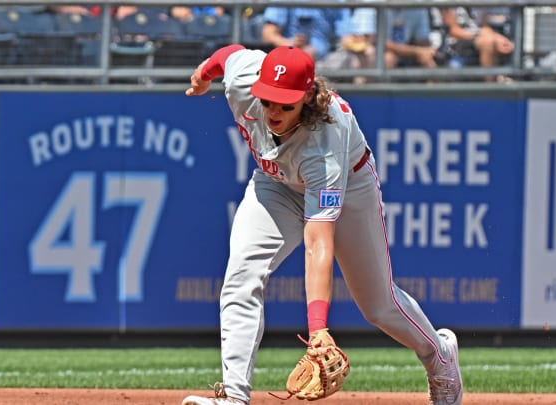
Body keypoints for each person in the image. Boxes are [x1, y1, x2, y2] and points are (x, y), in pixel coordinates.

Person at [181, 43, 464, 405]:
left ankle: (439, 356)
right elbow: (229, 54)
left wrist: (317, 329)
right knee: (241, 277)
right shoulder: (242, 81)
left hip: (349, 182)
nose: (273, 111)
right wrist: (205, 72)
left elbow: (317, 243)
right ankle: (234, 397)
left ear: (309, 96)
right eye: (267, 100)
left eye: (286, 104)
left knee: (377, 305)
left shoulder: (324, 144)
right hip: (276, 182)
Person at [434, 7, 514, 76]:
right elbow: (454, 31)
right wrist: (480, 34)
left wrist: (497, 38)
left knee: (508, 44)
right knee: (487, 43)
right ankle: (490, 87)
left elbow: (485, 27)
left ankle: (505, 80)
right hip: (456, 43)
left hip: (480, 37)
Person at [261, 6, 351, 61]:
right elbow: (268, 34)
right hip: (289, 57)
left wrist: (354, 43)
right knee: (303, 55)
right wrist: (291, 45)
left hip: (326, 59)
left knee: (357, 58)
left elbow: (346, 36)